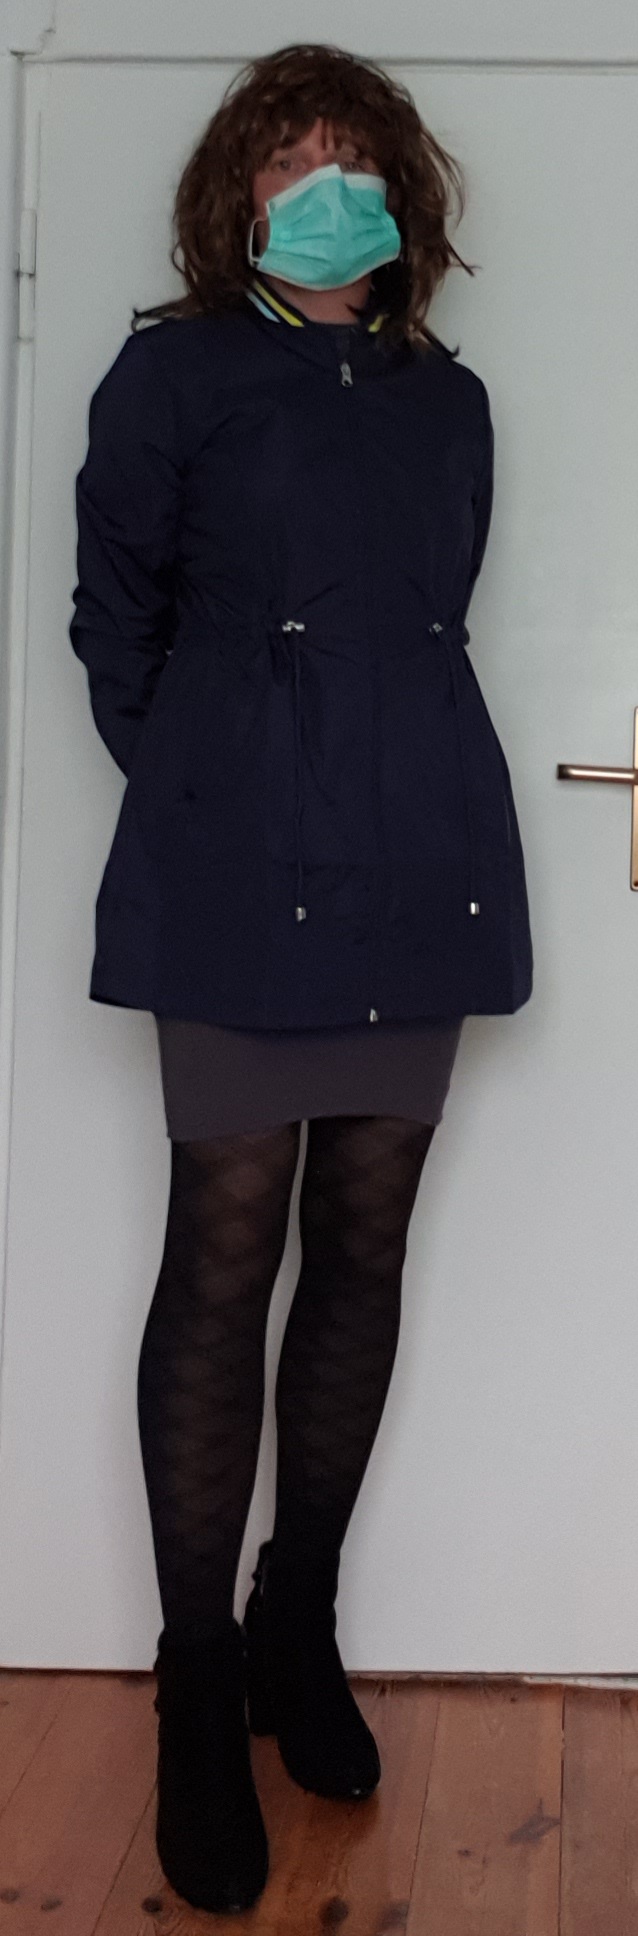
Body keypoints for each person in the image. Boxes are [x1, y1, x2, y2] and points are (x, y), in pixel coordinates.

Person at [69, 39, 533, 1918]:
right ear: (234, 198)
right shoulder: (171, 375)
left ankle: (296, 1624)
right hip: (236, 866)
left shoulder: (448, 398)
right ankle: (195, 1685)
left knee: (364, 1240)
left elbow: (431, 620)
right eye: (286, 158)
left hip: (419, 854)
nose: (320, 185)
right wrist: (223, 783)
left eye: (350, 156)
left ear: (400, 194)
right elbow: (117, 628)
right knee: (224, 1246)